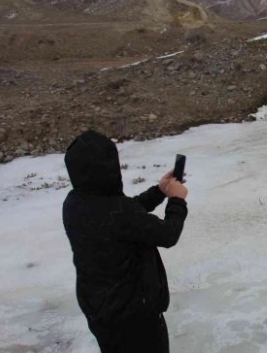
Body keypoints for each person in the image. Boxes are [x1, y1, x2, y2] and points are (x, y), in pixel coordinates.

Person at [62, 130, 188, 352]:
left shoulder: (74, 204)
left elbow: (126, 214)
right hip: (135, 318)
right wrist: (177, 200)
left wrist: (159, 191)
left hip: (100, 311)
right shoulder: (118, 212)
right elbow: (167, 234)